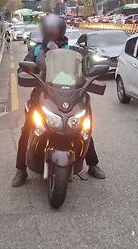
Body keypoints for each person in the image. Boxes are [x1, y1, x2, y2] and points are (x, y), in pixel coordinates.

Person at [11, 14, 106, 187]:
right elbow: (23, 68)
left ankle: (93, 164)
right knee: (27, 130)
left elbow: (87, 71)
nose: (52, 31)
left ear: (61, 30)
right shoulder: (37, 51)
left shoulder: (74, 51)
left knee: (83, 128)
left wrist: (92, 79)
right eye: (49, 28)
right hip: (43, 96)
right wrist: (26, 72)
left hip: (71, 96)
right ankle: (21, 170)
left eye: (55, 28)